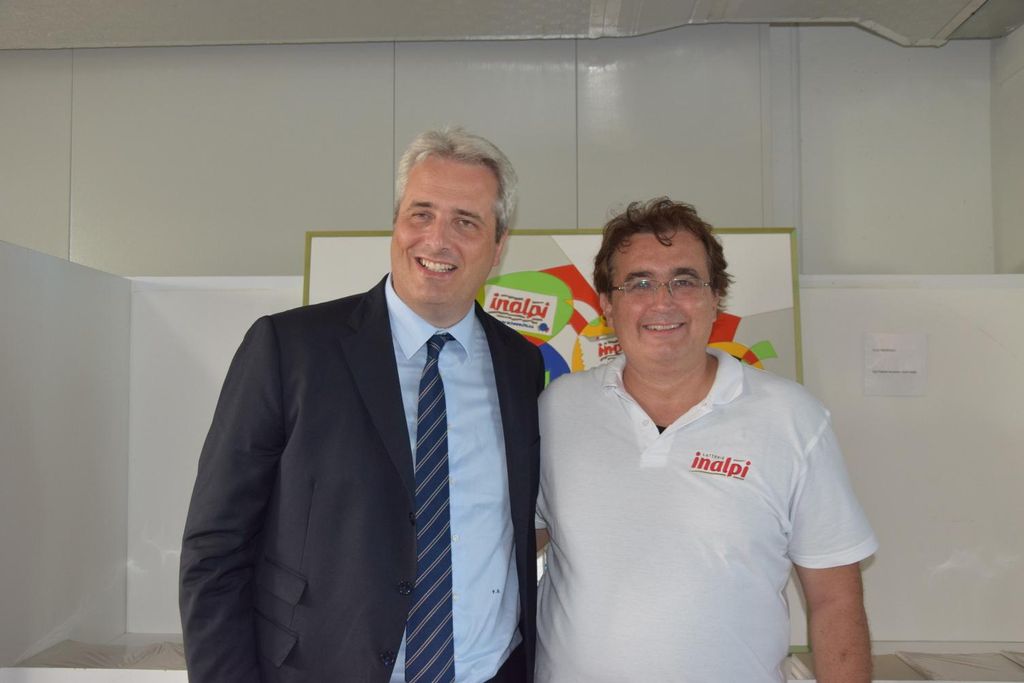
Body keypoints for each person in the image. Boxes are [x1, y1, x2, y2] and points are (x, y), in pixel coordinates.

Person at [180, 127, 544, 683]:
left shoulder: (520, 365)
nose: (437, 239)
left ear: (498, 248)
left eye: (466, 222)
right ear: (396, 224)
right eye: (421, 213)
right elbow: (216, 549)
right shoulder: (290, 349)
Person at [534, 198, 877, 682]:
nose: (663, 301)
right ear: (607, 304)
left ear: (716, 297)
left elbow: (835, 599)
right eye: (639, 283)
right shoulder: (557, 409)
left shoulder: (791, 418)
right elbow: (516, 543)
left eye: (685, 280)